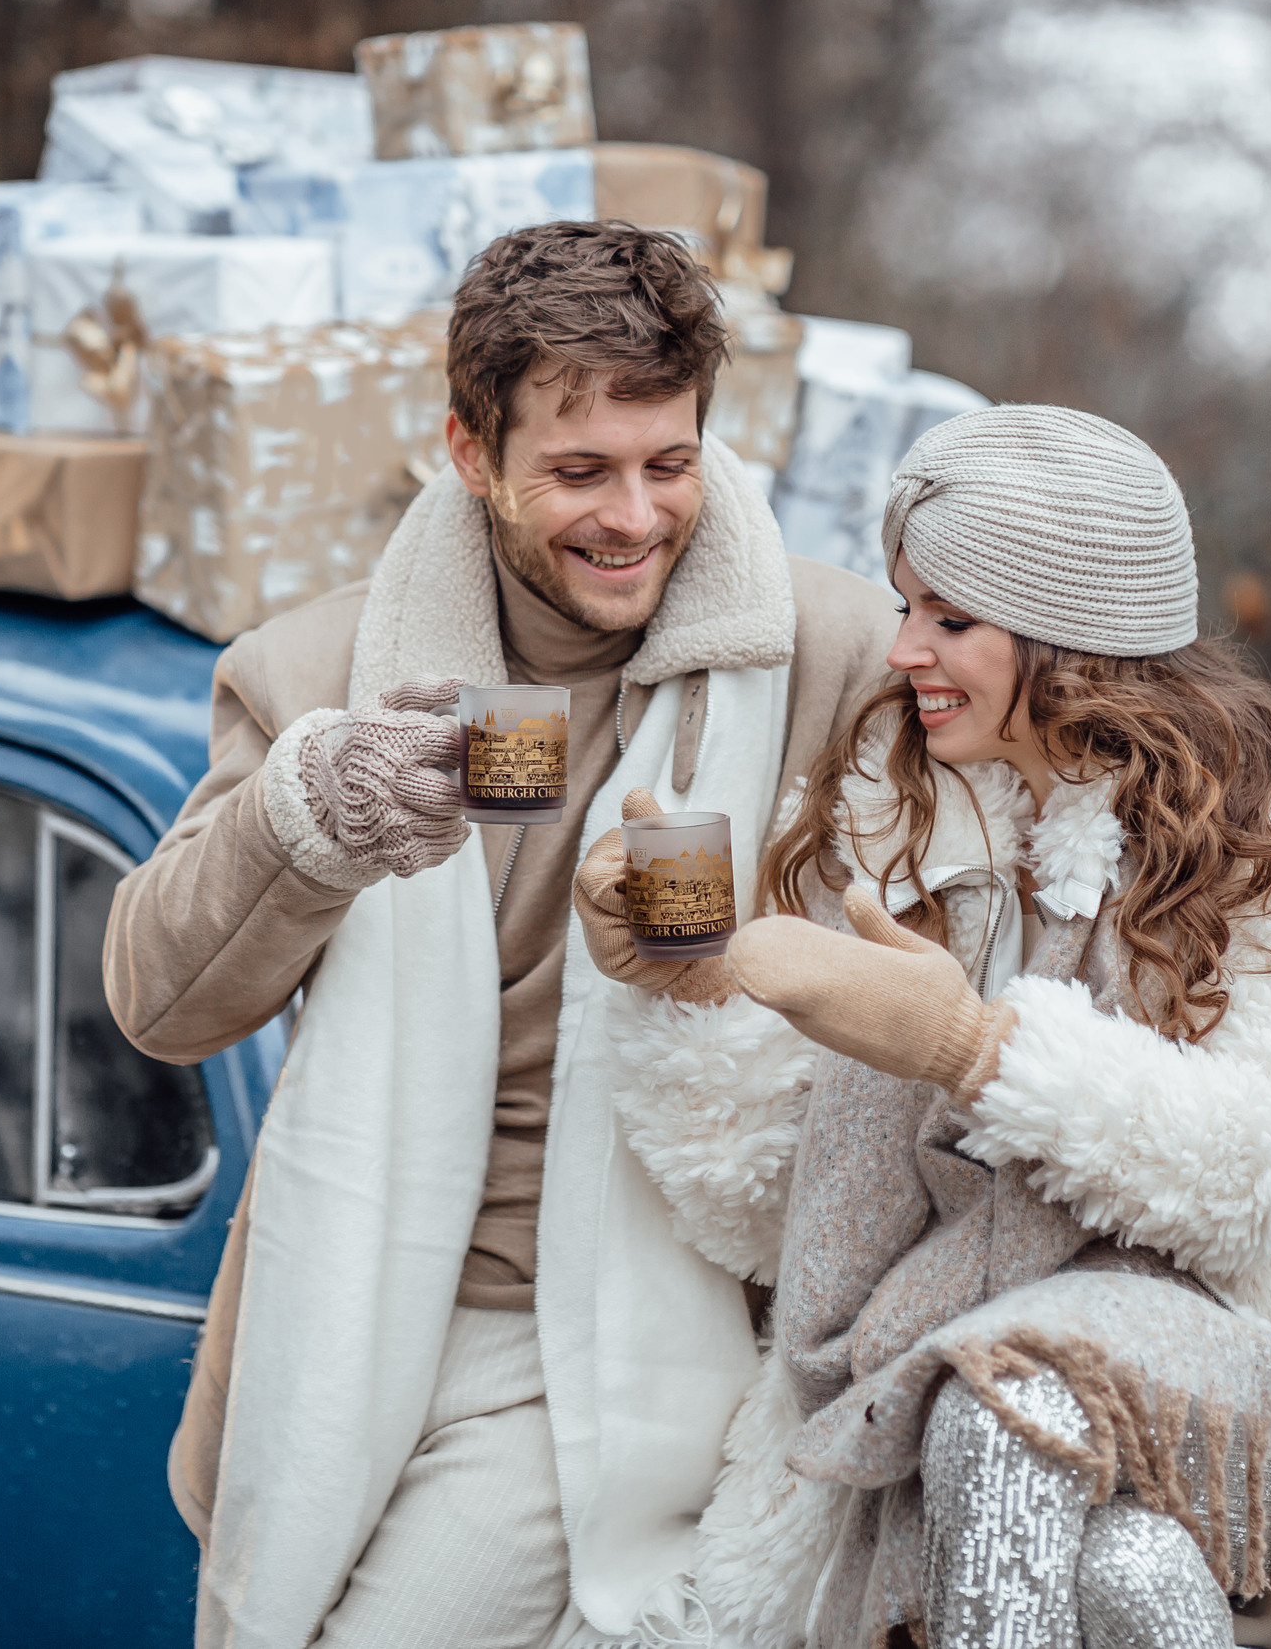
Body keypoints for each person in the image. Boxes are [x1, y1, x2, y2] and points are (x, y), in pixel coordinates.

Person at [575, 406, 1271, 1648]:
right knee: (1124, 1574)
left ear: (1075, 637)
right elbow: (765, 1210)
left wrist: (982, 1055)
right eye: (902, 607)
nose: (900, 653)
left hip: (1215, 1321)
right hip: (918, 1320)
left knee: (1002, 1406)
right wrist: (682, 989)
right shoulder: (892, 807)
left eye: (949, 618)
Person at [102, 219, 899, 1649]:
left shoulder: (832, 653)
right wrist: (310, 817)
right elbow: (159, 1004)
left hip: (624, 1329)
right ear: (471, 454)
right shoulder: (318, 669)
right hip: (354, 1307)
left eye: (671, 462)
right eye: (579, 470)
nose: (637, 515)